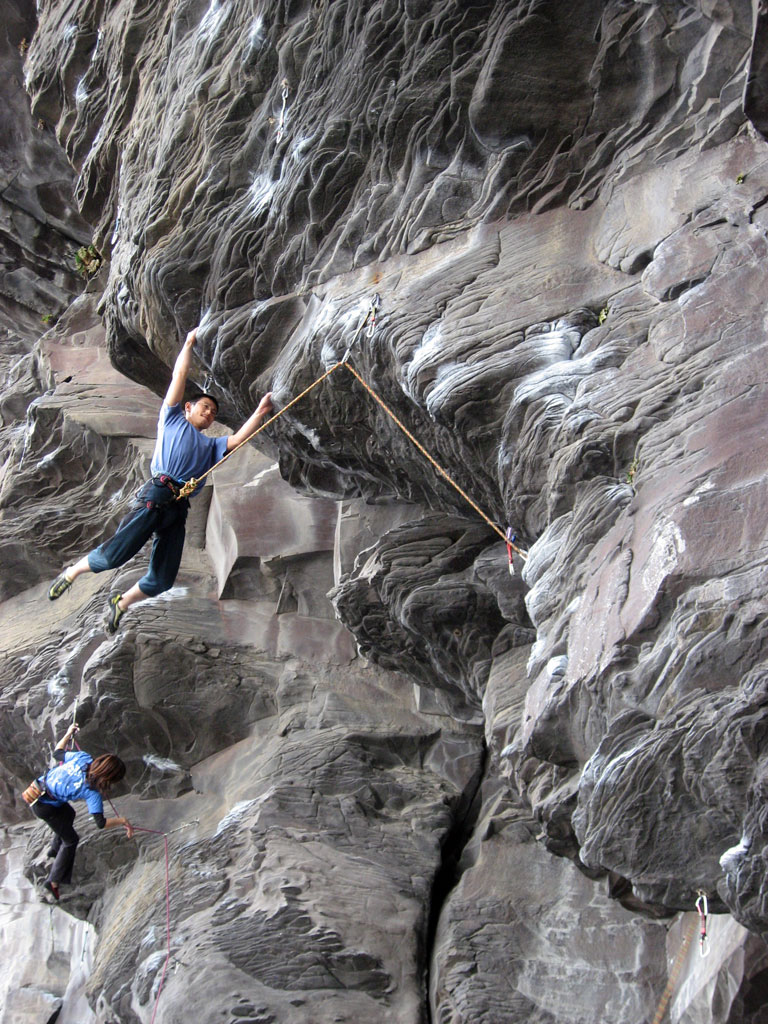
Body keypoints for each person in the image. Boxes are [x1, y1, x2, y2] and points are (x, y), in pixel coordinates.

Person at [47, 327, 273, 633]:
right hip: (157, 494)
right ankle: (72, 572)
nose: (209, 413)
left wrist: (260, 411)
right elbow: (179, 376)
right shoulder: (172, 419)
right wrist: (188, 344)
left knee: (163, 579)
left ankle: (121, 603)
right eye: (205, 407)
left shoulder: (212, 446)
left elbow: (238, 439)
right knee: (115, 556)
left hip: (177, 508)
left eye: (213, 412)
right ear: (188, 408)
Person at [28, 723, 133, 900]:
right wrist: (123, 821)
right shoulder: (92, 793)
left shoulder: (82, 758)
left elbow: (57, 753)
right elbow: (100, 823)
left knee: (69, 814)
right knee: (71, 840)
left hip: (37, 790)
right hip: (44, 807)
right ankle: (53, 882)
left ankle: (54, 851)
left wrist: (68, 733)